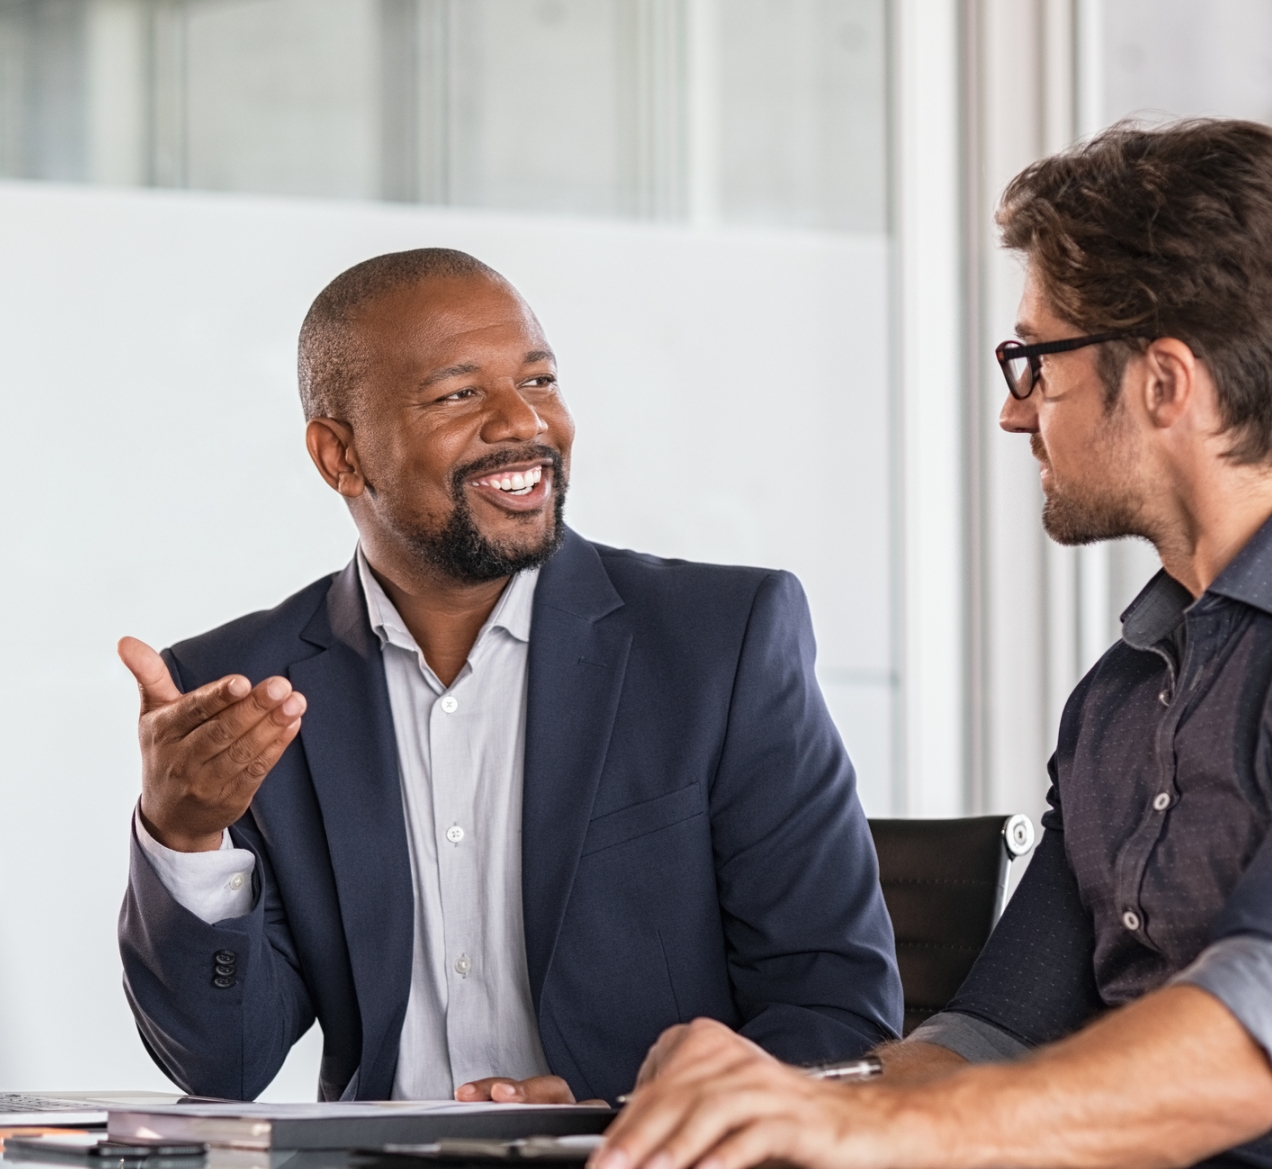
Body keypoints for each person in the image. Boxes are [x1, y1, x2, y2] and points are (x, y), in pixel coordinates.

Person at [589, 117, 1272, 1169]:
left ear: (1165, 383)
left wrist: (870, 1131)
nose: (1015, 413)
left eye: (1035, 362)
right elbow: (993, 1035)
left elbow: (1253, 1040)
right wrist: (752, 1102)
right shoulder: (1119, 700)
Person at [116, 248, 901, 1106]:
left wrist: (623, 1117)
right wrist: (183, 838)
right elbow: (222, 1066)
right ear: (339, 456)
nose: (522, 423)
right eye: (459, 394)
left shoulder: (720, 644)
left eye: (539, 381)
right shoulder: (242, 691)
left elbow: (836, 1013)